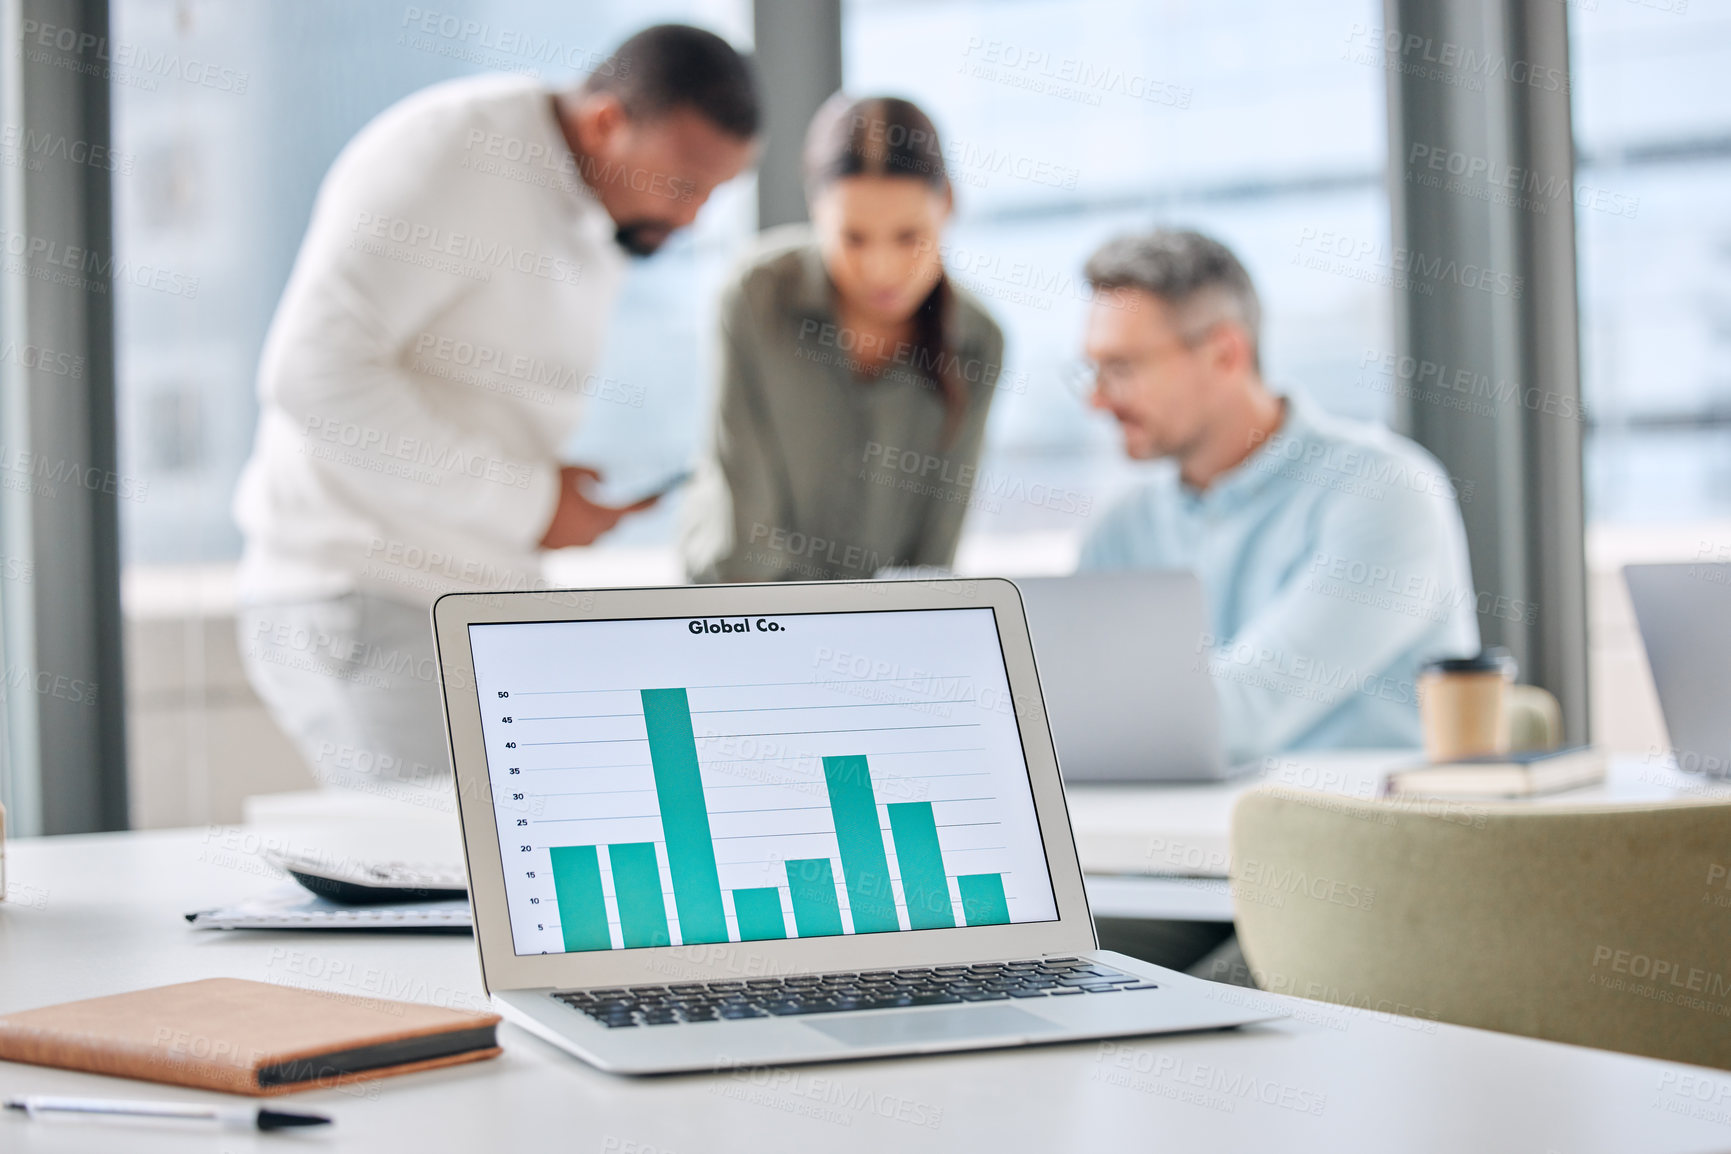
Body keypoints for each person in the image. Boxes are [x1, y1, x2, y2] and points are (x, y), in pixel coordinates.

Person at [233, 26, 759, 801]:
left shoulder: (583, 197)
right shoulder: (457, 155)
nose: (691, 220)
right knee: (439, 893)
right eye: (683, 183)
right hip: (368, 596)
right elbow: (312, 374)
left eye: (715, 194)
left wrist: (551, 492)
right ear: (607, 122)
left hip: (471, 603)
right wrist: (533, 502)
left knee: (520, 888)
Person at [1074, 229, 1479, 764]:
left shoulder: (1385, 494)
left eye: (1122, 369)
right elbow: (1076, 703)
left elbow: (1241, 714)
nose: (1098, 400)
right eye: (1093, 369)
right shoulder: (1121, 527)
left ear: (1225, 354)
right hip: (1167, 833)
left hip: (1361, 839)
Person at [681, 95, 1004, 583]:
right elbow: (743, 540)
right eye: (853, 238)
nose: (882, 269)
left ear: (948, 205)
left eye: (908, 236)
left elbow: (934, 555)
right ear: (816, 211)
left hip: (882, 633)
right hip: (743, 612)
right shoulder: (757, 297)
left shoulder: (978, 340)